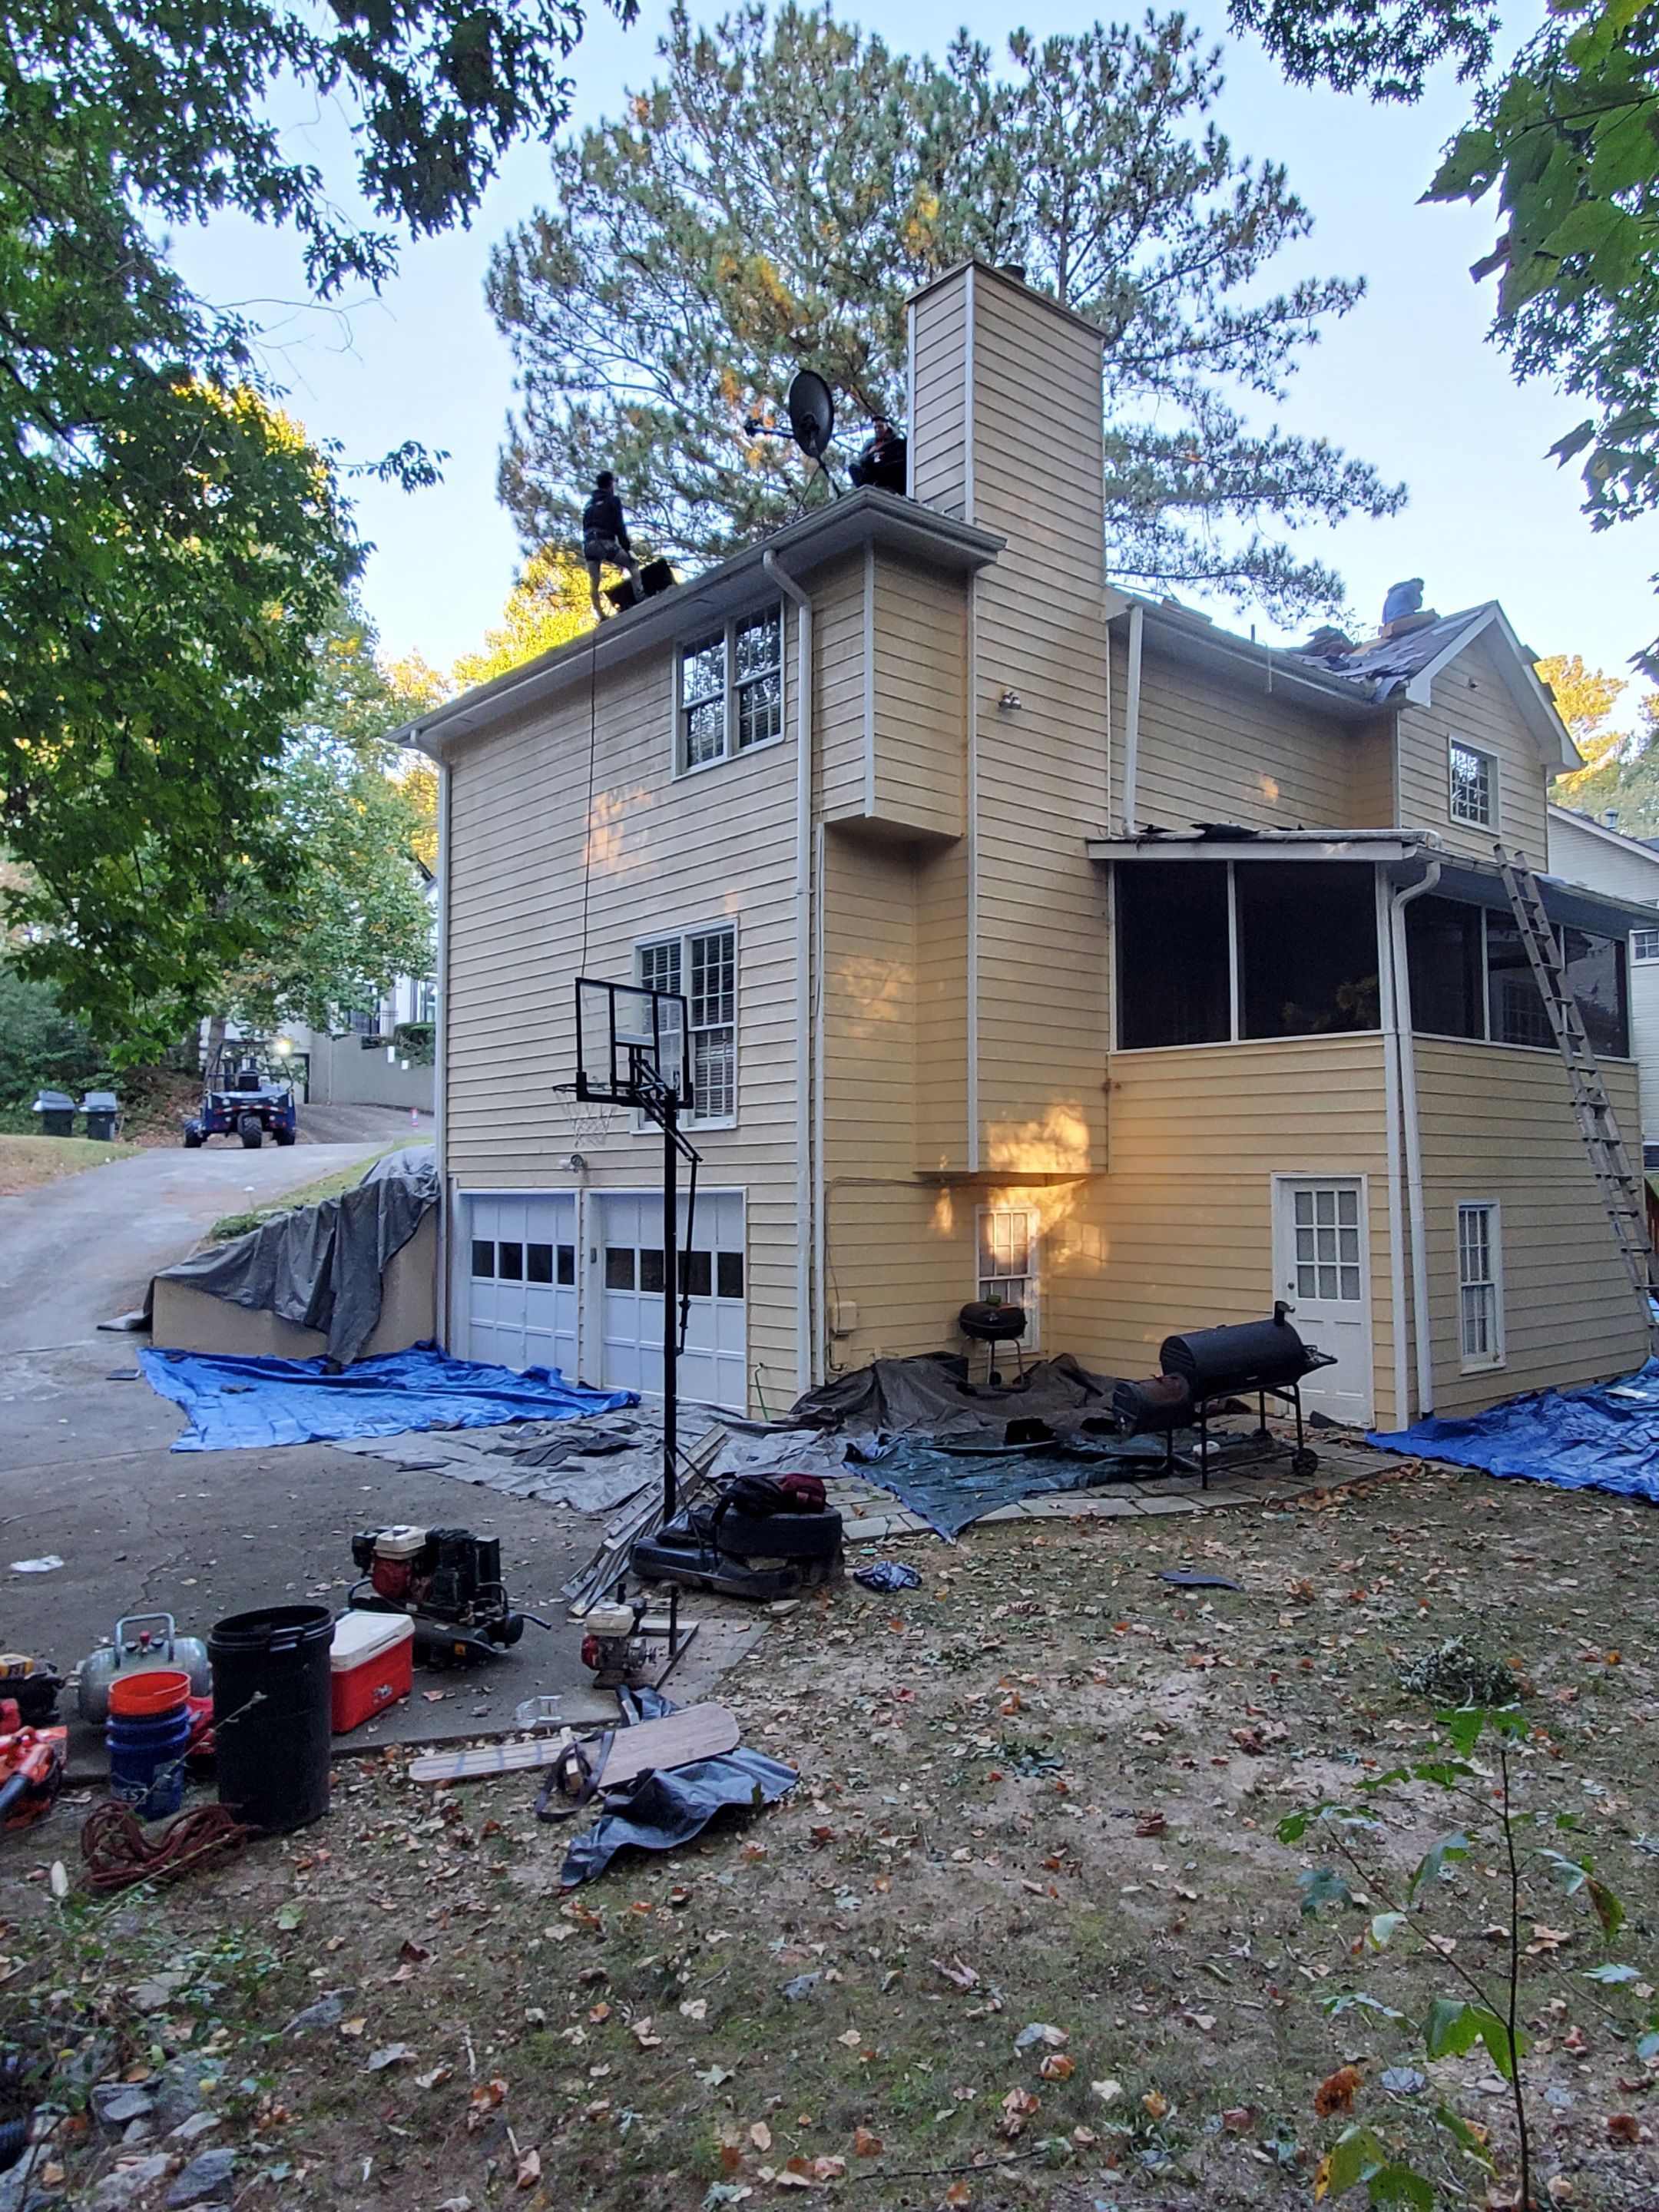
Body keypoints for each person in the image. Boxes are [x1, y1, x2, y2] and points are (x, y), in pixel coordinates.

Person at [582, 471, 644, 617]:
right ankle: (641, 597)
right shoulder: (613, 500)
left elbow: (585, 527)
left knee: (594, 580)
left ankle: (600, 614)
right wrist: (628, 549)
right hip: (604, 543)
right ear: (610, 484)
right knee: (632, 564)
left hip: (589, 545)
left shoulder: (588, 505)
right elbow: (619, 526)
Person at [848, 418, 908, 494]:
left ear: (887, 425)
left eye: (880, 427)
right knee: (853, 467)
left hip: (890, 470)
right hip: (872, 469)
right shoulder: (870, 443)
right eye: (875, 427)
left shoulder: (897, 442)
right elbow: (862, 460)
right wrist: (870, 453)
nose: (877, 430)